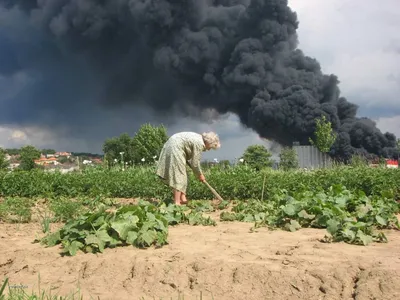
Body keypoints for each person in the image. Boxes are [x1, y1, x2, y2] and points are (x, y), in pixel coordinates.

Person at [156, 131, 221, 205]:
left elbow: (192, 157)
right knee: (179, 175)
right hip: (175, 147)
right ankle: (177, 202)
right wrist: (200, 175)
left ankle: (183, 198)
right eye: (210, 147)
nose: (209, 149)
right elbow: (195, 164)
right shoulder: (199, 143)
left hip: (174, 145)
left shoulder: (199, 139)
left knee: (184, 174)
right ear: (208, 143)